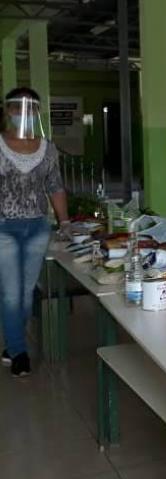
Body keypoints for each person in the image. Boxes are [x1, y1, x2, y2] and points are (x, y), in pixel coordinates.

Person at [0, 87, 69, 377]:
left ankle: (12, 343)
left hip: (37, 228)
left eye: (30, 109)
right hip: (4, 229)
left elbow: (55, 186)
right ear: (9, 111)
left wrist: (64, 222)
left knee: (27, 292)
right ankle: (19, 352)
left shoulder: (47, 148)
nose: (23, 114)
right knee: (11, 293)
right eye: (17, 108)